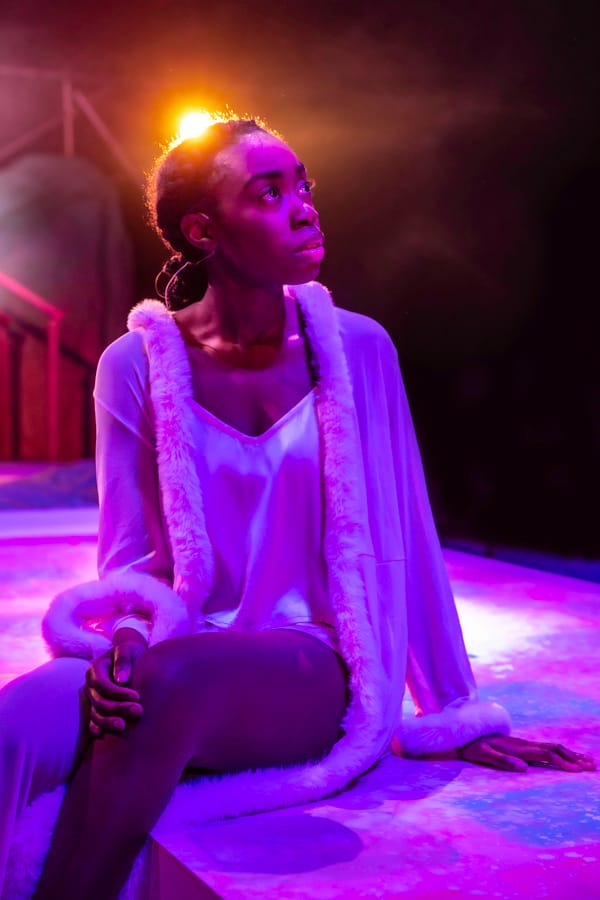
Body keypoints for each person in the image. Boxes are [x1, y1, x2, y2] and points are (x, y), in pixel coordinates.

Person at [0, 117, 594, 900]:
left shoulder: (358, 349)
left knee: (170, 685)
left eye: (303, 185)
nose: (304, 208)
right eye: (269, 193)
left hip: (315, 659)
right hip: (183, 638)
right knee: (16, 725)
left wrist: (456, 709)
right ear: (203, 230)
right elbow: (130, 558)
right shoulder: (134, 364)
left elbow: (408, 534)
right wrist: (126, 640)